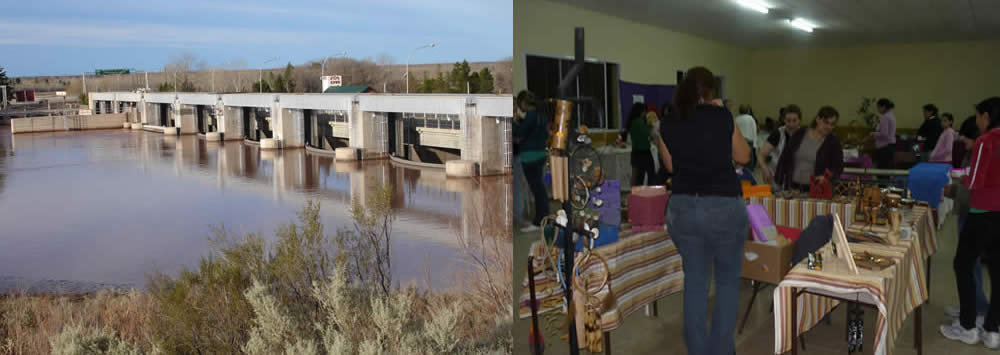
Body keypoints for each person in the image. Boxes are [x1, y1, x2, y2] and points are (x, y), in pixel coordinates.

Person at [658, 66, 750, 355]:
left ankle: (698, 350)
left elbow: (671, 167)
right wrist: (725, 116)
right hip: (723, 206)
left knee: (696, 283)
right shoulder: (721, 116)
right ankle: (722, 349)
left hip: (683, 207)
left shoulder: (668, 121)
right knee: (726, 282)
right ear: (711, 91)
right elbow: (744, 157)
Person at [940, 97, 1000, 349]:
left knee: (962, 264)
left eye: (978, 116)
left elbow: (975, 180)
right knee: (997, 271)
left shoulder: (986, 140)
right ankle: (993, 330)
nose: (977, 120)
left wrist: (959, 177)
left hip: (982, 212)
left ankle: (967, 326)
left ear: (986, 116)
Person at [774, 106, 844, 191]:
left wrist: (826, 177)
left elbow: (838, 168)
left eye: (832, 124)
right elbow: (784, 158)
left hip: (817, 190)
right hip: (792, 187)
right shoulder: (800, 134)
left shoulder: (834, 143)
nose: (829, 127)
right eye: (826, 122)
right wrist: (777, 182)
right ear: (818, 119)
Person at [513, 90, 549, 233]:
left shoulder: (531, 115)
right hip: (540, 154)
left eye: (518, 104)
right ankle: (544, 218)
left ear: (523, 103)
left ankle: (538, 221)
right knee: (540, 190)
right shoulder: (541, 115)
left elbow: (520, 134)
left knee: (537, 190)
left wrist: (513, 121)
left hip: (530, 157)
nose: (519, 108)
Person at [758, 105, 804, 185]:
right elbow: (761, 155)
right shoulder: (777, 134)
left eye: (794, 120)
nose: (791, 124)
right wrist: (765, 169)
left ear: (799, 120)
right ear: (784, 120)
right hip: (776, 178)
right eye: (788, 120)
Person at [620, 102, 655, 186]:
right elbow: (648, 134)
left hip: (635, 153)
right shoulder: (639, 122)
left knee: (639, 177)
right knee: (651, 174)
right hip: (644, 153)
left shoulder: (632, 122)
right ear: (641, 112)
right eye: (644, 111)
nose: (645, 114)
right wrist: (651, 126)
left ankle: (637, 195)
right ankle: (650, 192)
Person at [872, 98, 897, 169]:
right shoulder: (891, 115)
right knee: (886, 169)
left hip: (884, 147)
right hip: (890, 146)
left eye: (878, 107)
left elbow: (884, 134)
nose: (877, 110)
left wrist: (874, 133)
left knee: (882, 170)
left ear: (883, 107)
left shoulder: (885, 117)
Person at [734, 104, 758, 171]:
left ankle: (739, 172)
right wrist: (755, 144)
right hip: (749, 141)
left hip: (739, 141)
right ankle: (749, 171)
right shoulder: (750, 118)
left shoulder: (736, 118)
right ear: (748, 111)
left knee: (740, 158)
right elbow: (754, 131)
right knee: (750, 158)